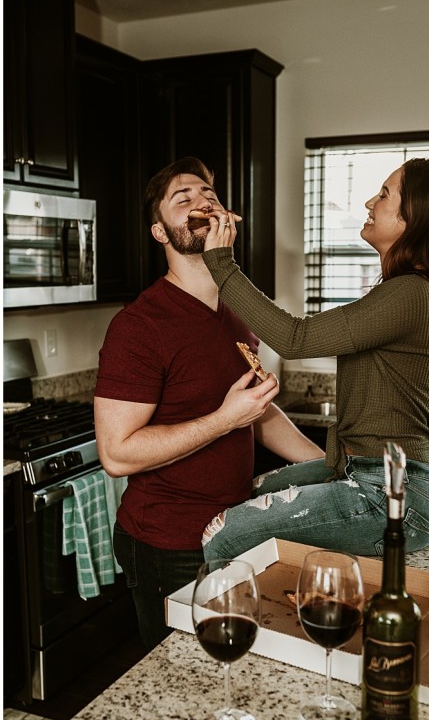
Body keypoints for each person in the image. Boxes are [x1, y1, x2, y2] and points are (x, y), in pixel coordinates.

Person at [95, 157, 325, 650]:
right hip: (169, 543)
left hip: (234, 530)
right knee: (179, 676)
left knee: (232, 667)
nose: (202, 203)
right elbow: (116, 454)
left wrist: (331, 468)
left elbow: (256, 411)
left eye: (210, 197)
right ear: (160, 232)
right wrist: (224, 420)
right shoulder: (139, 326)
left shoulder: (237, 309)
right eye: (184, 199)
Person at [197, 157, 429, 563]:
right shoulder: (419, 291)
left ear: (415, 217)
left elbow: (294, 338)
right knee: (248, 492)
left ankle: (228, 610)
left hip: (389, 488)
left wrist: (222, 263)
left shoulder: (411, 293)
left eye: (384, 195)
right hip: (387, 475)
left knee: (223, 534)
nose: (369, 203)